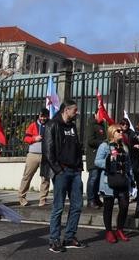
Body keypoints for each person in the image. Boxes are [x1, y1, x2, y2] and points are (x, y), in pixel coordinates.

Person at [44, 99, 87, 252]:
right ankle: (54, 240)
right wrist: (58, 170)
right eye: (75, 110)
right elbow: (48, 151)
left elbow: (76, 147)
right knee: (58, 206)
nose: (77, 113)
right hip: (61, 171)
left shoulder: (73, 126)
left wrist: (79, 168)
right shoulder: (52, 125)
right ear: (66, 110)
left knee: (77, 205)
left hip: (75, 172)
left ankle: (69, 237)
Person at [95, 124, 134, 244]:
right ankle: (108, 231)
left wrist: (131, 179)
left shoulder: (124, 147)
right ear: (112, 132)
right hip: (109, 181)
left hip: (122, 180)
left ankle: (120, 229)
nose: (121, 132)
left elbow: (128, 164)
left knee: (124, 205)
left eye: (122, 131)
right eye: (118, 131)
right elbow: (97, 161)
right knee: (108, 206)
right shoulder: (105, 146)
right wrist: (109, 160)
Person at [19, 108, 50, 207]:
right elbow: (26, 138)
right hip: (33, 155)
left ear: (48, 116)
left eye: (45, 116)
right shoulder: (33, 125)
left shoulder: (51, 125)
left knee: (45, 177)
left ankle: (43, 199)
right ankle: (21, 197)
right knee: (27, 176)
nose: (43, 118)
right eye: (41, 116)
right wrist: (34, 138)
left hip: (46, 155)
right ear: (39, 116)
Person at [85, 113, 106, 208]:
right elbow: (90, 141)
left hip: (101, 157)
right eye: (100, 113)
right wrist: (103, 143)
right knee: (93, 178)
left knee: (98, 179)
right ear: (95, 114)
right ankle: (90, 199)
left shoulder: (102, 126)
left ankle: (96, 198)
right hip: (93, 156)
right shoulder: (91, 125)